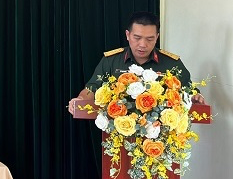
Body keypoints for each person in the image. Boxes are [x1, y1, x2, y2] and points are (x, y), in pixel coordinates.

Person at [69, 11, 204, 114]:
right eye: (137, 38)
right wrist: (81, 100)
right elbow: (92, 89)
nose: (143, 44)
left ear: (157, 37)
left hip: (163, 137)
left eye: (149, 39)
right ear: (128, 35)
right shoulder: (111, 61)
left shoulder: (172, 64)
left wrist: (195, 98)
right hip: (117, 134)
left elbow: (190, 92)